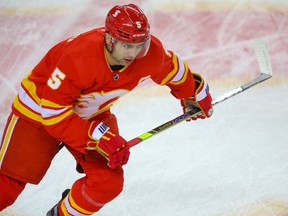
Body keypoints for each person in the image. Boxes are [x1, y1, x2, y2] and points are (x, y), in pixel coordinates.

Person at [0, 3, 213, 216]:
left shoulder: (148, 55)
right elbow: (53, 115)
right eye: (128, 46)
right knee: (6, 190)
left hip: (91, 114)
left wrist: (194, 92)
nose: (135, 52)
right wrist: (99, 136)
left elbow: (173, 69)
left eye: (140, 45)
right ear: (110, 40)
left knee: (107, 183)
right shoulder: (78, 56)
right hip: (38, 113)